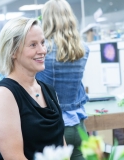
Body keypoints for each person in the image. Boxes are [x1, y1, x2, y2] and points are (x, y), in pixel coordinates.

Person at [0, 17, 65, 160]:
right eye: (33, 45)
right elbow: (14, 157)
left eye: (42, 43)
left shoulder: (48, 90)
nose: (42, 50)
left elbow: (62, 147)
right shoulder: (3, 95)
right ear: (13, 51)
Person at [36, 0, 89, 159]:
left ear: (46, 20)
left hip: (53, 127)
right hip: (78, 125)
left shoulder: (43, 53)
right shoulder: (83, 49)